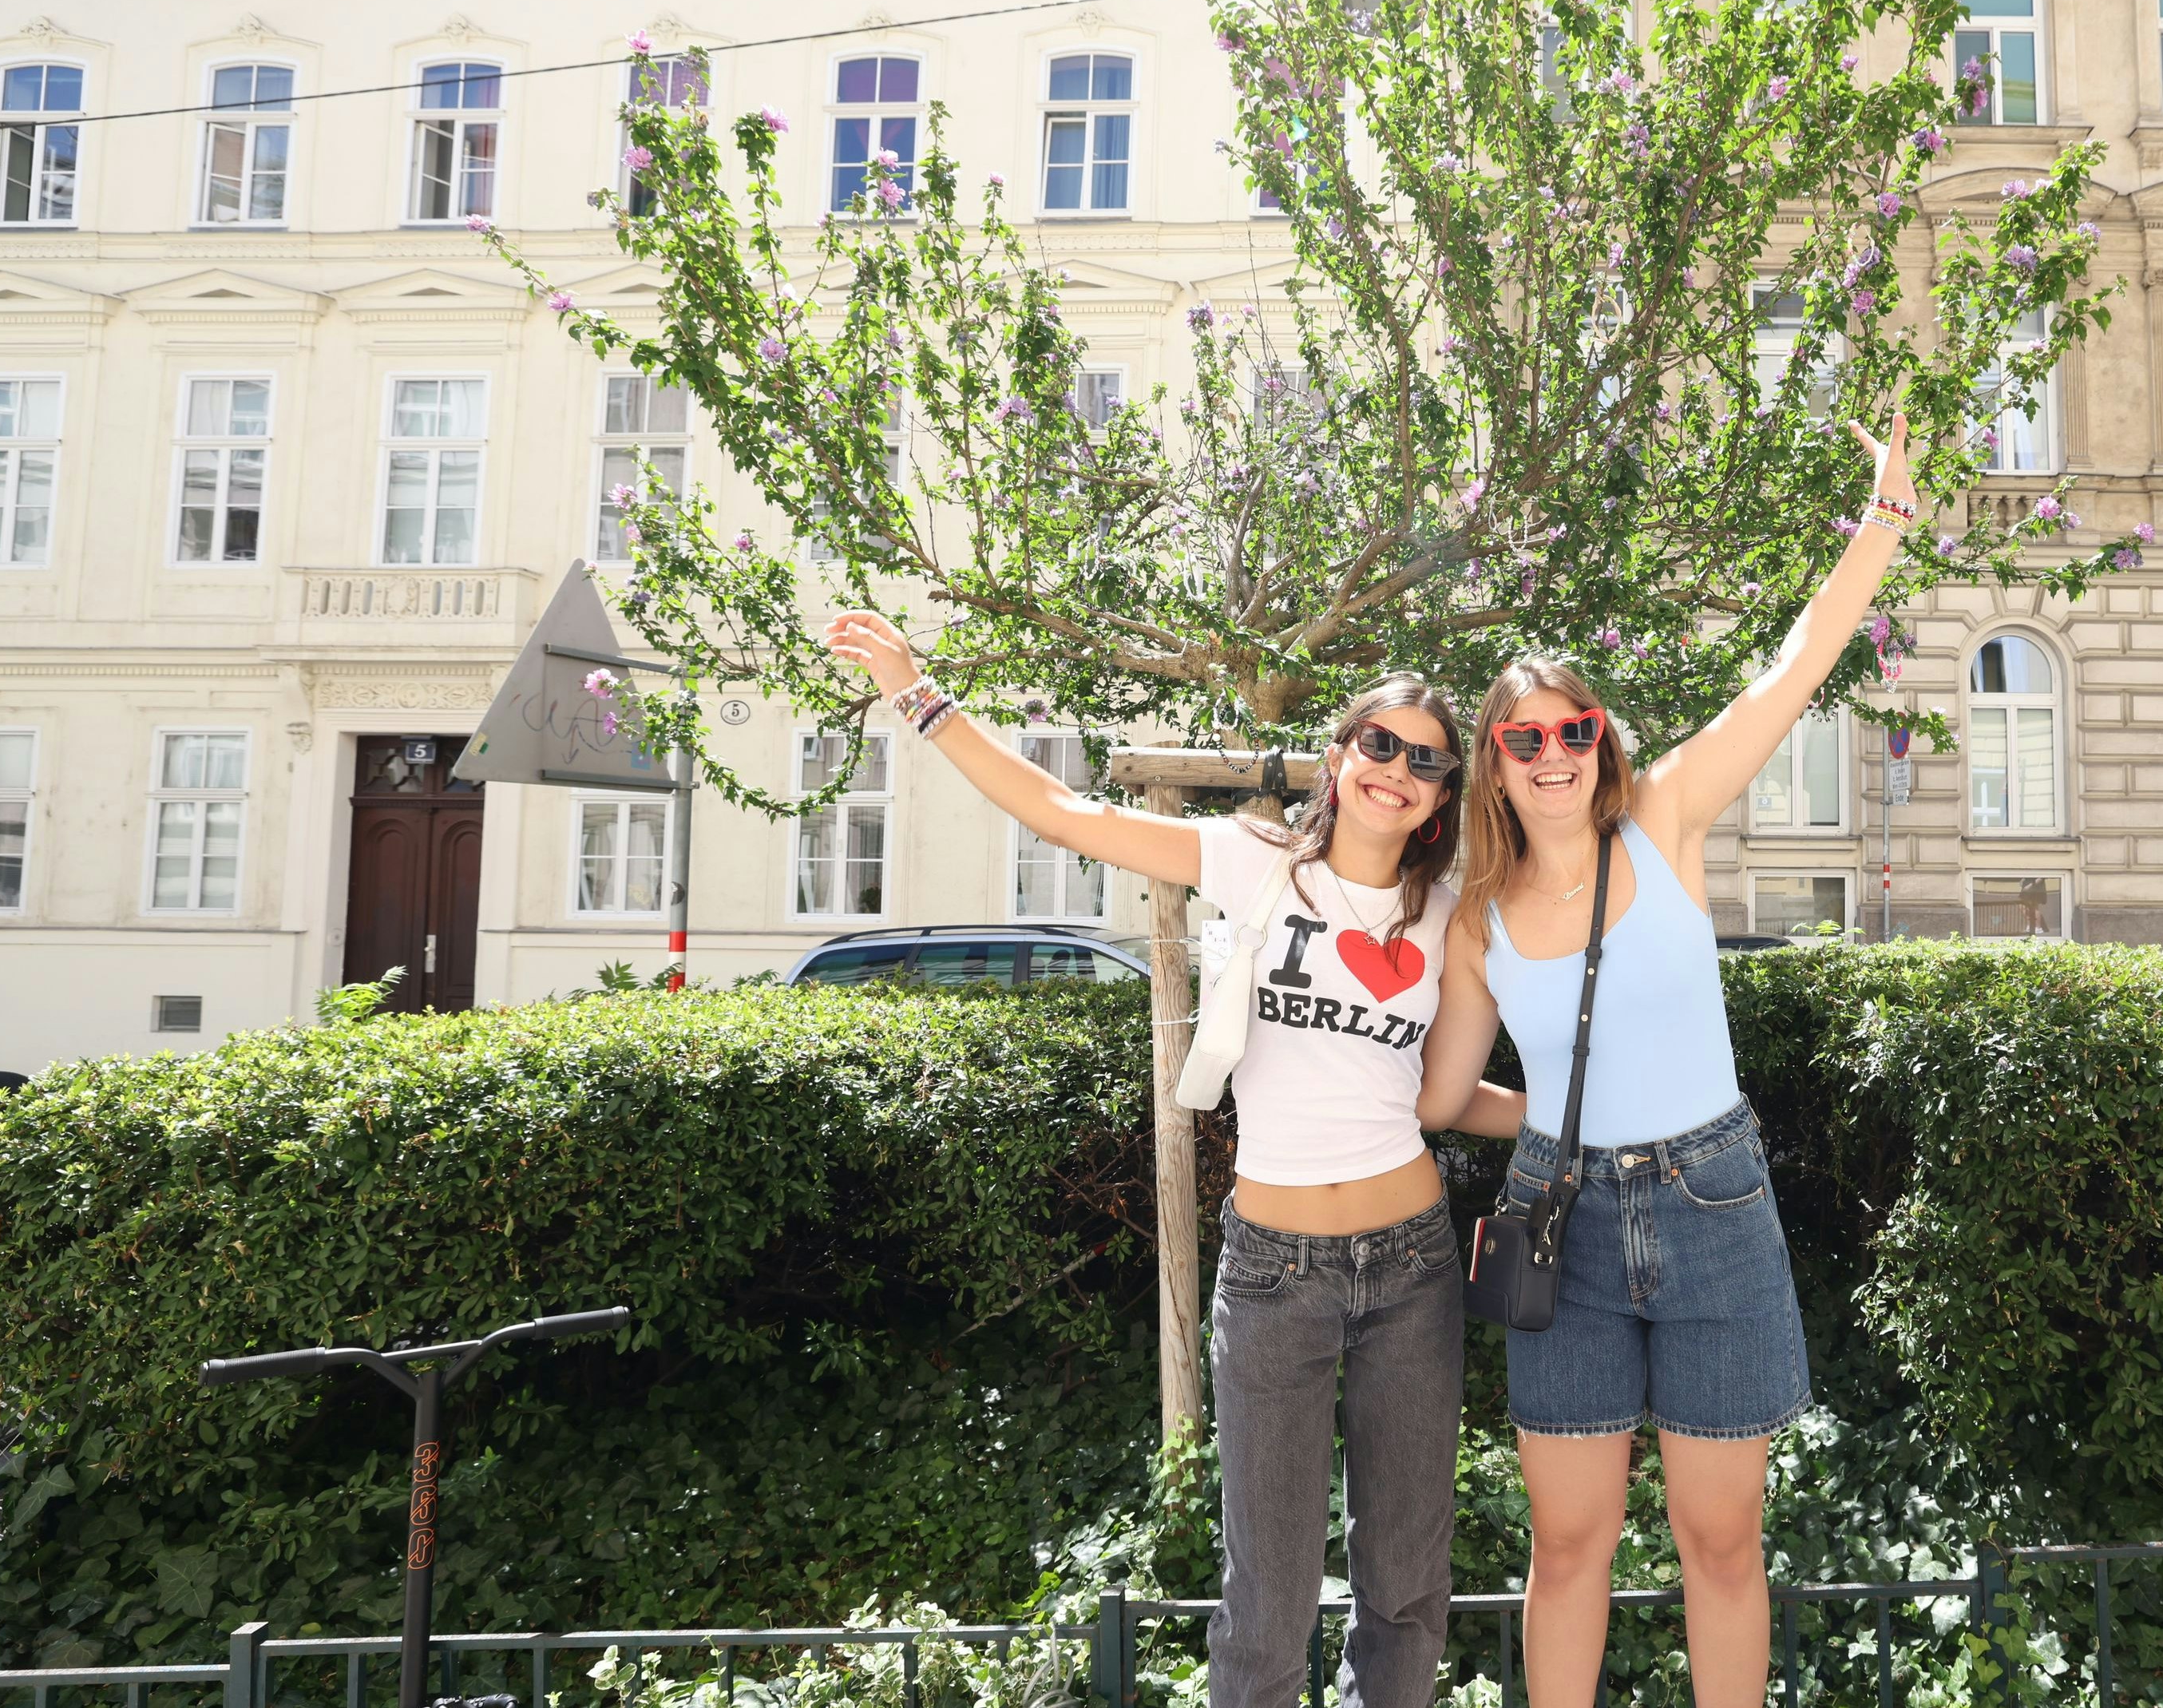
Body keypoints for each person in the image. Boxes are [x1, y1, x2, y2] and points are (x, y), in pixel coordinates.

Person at [821, 610, 1516, 1708]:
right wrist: (922, 696)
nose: (1397, 768)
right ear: (1340, 755)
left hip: (1412, 1264)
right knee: (1265, 1602)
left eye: (1426, 760)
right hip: (1276, 1270)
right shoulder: (1253, 862)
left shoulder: (1451, 919)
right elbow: (1063, 812)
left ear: (1439, 799)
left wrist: (1573, 1111)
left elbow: (1439, 1096)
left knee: (1405, 1590)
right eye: (1378, 742)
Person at [1416, 414, 1924, 1707]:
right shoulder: (1474, 914)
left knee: (1721, 1538)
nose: (1550, 755)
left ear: (1602, 737)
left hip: (1713, 1207)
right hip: (1563, 1222)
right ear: (1494, 761)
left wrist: (1886, 519)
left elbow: (1794, 668)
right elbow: (1438, 1096)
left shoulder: (1665, 819)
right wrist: (1545, 1123)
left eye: (1569, 730)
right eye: (1521, 739)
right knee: (1571, 1541)